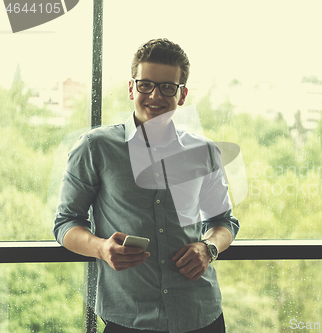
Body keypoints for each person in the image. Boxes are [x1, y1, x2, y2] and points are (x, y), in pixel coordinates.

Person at [53, 38, 239, 333]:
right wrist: (101, 248)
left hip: (199, 313)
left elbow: (224, 222)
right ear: (131, 88)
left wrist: (208, 249)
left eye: (168, 87)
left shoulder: (204, 152)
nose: (155, 95)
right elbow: (65, 224)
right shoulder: (95, 147)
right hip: (128, 316)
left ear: (182, 94)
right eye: (145, 84)